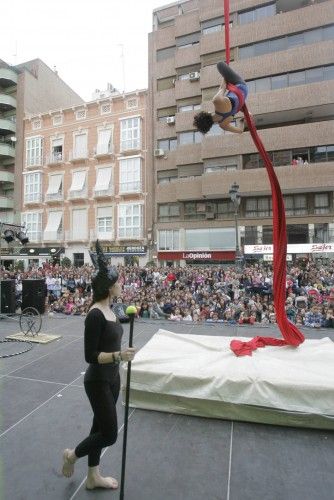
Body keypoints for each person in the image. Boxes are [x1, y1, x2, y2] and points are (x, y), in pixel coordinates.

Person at [62, 241, 136, 490]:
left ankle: (93, 477)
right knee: (109, 434)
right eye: (118, 281)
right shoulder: (95, 314)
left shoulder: (111, 310)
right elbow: (90, 356)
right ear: (108, 287)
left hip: (112, 378)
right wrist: (119, 356)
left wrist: (119, 362)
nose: (121, 283)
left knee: (98, 426)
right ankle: (72, 455)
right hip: (97, 381)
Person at [193, 61, 248, 135]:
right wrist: (224, 74)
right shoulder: (216, 101)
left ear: (210, 126)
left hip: (242, 98)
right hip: (240, 86)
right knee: (220, 65)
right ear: (206, 113)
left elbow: (240, 131)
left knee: (233, 105)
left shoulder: (223, 125)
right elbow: (223, 87)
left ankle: (247, 113)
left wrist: (242, 121)